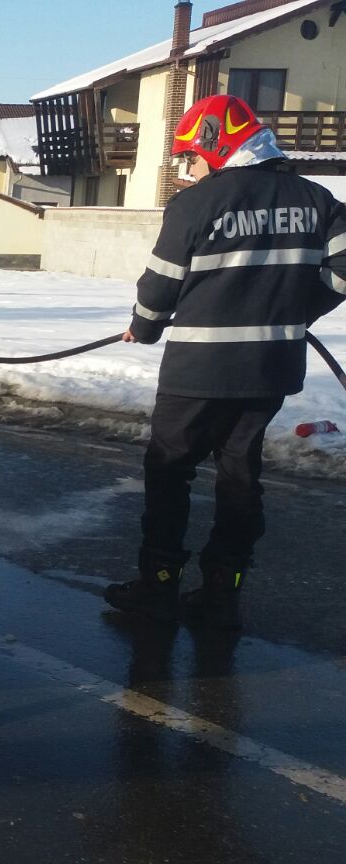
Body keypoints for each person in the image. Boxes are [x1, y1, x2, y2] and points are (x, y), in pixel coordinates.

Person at [105, 94, 346, 626]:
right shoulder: (317, 199)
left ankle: (158, 583)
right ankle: (222, 588)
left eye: (191, 157)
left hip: (199, 370)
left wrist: (144, 327)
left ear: (217, 145)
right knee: (239, 474)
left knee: (169, 471)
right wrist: (301, 309)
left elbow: (160, 285)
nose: (188, 170)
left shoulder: (195, 204)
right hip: (271, 368)